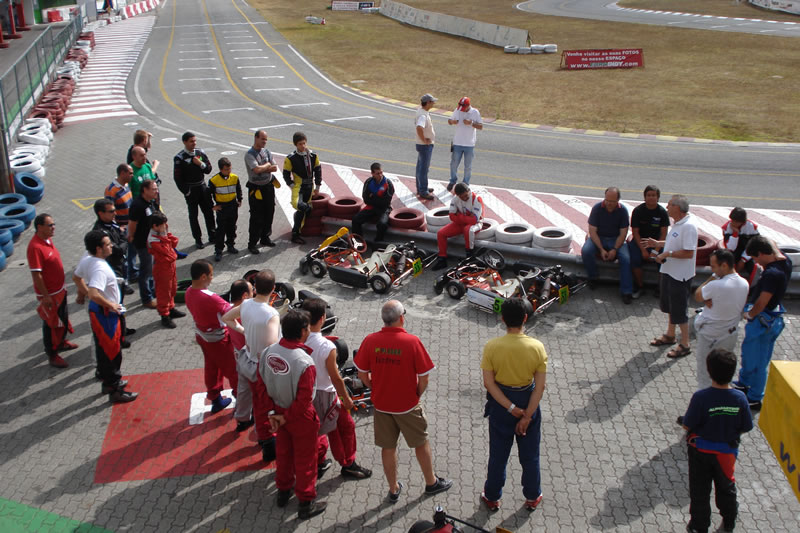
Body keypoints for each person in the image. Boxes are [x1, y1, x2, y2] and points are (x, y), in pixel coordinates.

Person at [354, 300, 452, 502]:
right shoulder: (412, 342)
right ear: (401, 318)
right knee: (420, 443)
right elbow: (424, 377)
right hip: (407, 405)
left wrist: (374, 387)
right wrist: (416, 394)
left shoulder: (370, 341)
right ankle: (431, 483)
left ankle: (393, 489)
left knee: (387, 448)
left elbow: (362, 373)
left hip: (381, 406)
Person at [480, 298, 546, 513]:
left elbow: (489, 384)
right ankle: (532, 496)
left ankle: (492, 497)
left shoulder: (492, 347)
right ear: (525, 318)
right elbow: (540, 387)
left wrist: (510, 408)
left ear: (502, 319)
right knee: (530, 456)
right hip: (528, 402)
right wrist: (527, 415)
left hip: (501, 407)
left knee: (498, 456)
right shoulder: (537, 347)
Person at [261, 310, 327, 520]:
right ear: (302, 331)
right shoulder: (304, 362)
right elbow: (304, 399)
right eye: (307, 328)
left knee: (284, 453)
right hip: (299, 418)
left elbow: (262, 386)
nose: (309, 331)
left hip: (278, 412)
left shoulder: (268, 352)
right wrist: (286, 417)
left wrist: (273, 414)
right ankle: (306, 503)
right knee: (306, 460)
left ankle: (283, 491)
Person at [681, 349, 753, 533]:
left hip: (700, 453)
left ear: (709, 371)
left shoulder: (701, 397)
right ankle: (729, 522)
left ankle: (699, 526)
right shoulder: (740, 398)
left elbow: (687, 425)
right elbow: (747, 426)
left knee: (700, 491)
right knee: (726, 487)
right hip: (726, 454)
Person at [302, 298, 372, 480]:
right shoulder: (326, 346)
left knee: (314, 432)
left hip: (303, 394)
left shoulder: (295, 338)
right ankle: (348, 464)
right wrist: (346, 399)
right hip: (326, 395)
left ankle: (319, 462)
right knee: (344, 428)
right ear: (323, 318)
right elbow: (335, 377)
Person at [220, 270, 279, 462]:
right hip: (260, 367)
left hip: (245, 357)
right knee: (263, 405)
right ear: (273, 289)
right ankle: (266, 441)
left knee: (244, 394)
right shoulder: (271, 313)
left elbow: (227, 318)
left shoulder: (245, 305)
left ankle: (242, 420)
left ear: (255, 288)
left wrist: (244, 330)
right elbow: (271, 345)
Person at [72, 231, 138, 403]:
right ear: (98, 248)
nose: (112, 247)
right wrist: (111, 305)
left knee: (103, 350)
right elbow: (94, 293)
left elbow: (76, 277)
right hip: (105, 314)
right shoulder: (100, 268)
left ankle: (108, 383)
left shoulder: (87, 258)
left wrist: (85, 294)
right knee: (112, 353)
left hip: (98, 311)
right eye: (108, 244)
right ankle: (114, 390)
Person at [735, 236, 791, 410]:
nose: (756, 263)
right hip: (771, 319)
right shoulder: (785, 261)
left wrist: (750, 315)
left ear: (761, 253)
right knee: (750, 355)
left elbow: (762, 302)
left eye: (755, 258)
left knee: (758, 361)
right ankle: (744, 383)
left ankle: (754, 397)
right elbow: (771, 244)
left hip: (762, 321)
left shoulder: (772, 274)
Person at [645, 195, 698, 359]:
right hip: (668, 271)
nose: (666, 207)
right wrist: (659, 244)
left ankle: (685, 344)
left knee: (680, 309)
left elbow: (689, 252)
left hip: (679, 275)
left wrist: (667, 253)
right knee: (670, 306)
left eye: (669, 205)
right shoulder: (678, 225)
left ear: (678, 208)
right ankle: (670, 335)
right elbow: (673, 242)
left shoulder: (689, 227)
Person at [185, 260, 239, 414]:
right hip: (218, 340)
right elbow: (231, 312)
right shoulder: (211, 298)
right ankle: (241, 398)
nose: (212, 278)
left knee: (211, 367)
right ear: (203, 277)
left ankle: (215, 398)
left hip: (202, 336)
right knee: (233, 369)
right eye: (211, 275)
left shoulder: (189, 292)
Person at [692, 250, 748, 390]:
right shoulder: (744, 283)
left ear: (724, 265)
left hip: (710, 335)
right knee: (723, 374)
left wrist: (713, 277)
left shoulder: (715, 285)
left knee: (705, 375)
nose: (712, 270)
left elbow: (698, 295)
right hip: (730, 334)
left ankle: (705, 405)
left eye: (713, 267)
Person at [26, 214, 75, 368]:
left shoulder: (47, 240)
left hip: (60, 290)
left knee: (63, 319)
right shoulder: (35, 247)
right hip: (50, 295)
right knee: (51, 324)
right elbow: (36, 274)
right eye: (50, 225)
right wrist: (46, 296)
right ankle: (52, 354)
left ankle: (61, 342)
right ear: (39, 227)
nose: (53, 227)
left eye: (54, 224)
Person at [92, 199, 134, 349]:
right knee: (114, 303)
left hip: (119, 267)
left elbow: (122, 240)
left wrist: (123, 241)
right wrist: (123, 242)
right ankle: (119, 336)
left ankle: (122, 329)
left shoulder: (112, 225)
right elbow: (119, 248)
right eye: (111, 211)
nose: (115, 213)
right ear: (100, 213)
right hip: (112, 271)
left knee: (120, 301)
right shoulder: (100, 232)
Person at [581, 187, 633, 304]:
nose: (609, 204)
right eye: (607, 200)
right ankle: (593, 277)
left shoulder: (623, 211)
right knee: (586, 251)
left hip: (616, 239)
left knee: (626, 259)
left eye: (612, 201)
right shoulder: (597, 208)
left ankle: (626, 291)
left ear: (618, 201)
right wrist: (601, 249)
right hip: (600, 237)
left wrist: (615, 249)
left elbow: (623, 233)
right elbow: (592, 231)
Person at [221, 279, 256, 433]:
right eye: (251, 290)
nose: (254, 292)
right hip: (251, 358)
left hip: (239, 357)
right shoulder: (247, 315)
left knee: (243, 390)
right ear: (244, 296)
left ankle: (242, 419)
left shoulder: (229, 310)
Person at [174, 131, 216, 249]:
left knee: (209, 212)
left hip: (202, 187)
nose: (194, 143)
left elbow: (208, 169)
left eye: (195, 141)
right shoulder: (180, 158)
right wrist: (186, 191)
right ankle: (198, 239)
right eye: (191, 141)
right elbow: (177, 178)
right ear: (185, 142)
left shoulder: (200, 153)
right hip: (191, 190)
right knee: (193, 215)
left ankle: (212, 235)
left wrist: (200, 163)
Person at [628, 185, 669, 298]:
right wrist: (643, 250)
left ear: (658, 197)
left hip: (657, 243)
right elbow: (635, 232)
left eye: (653, 195)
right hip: (640, 242)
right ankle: (640, 287)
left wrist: (655, 251)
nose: (651, 198)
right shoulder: (638, 211)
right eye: (648, 195)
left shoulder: (662, 212)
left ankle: (660, 288)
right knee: (634, 259)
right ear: (644, 197)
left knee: (664, 259)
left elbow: (664, 233)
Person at [431, 182, 484, 270]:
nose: (465, 198)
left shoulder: (476, 199)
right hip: (460, 224)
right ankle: (442, 259)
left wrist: (458, 215)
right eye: (462, 197)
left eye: (466, 196)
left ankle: (469, 257)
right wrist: (466, 217)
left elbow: (474, 220)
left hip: (476, 224)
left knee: (468, 229)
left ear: (469, 191)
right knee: (441, 233)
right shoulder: (455, 199)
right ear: (458, 195)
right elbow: (451, 216)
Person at [244, 129, 280, 254]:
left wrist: (264, 167)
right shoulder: (250, 154)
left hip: (268, 187)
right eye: (262, 139)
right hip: (256, 189)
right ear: (256, 138)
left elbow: (275, 168)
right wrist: (267, 165)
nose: (264, 141)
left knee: (269, 212)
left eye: (266, 139)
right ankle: (252, 243)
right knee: (256, 217)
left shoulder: (267, 152)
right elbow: (256, 170)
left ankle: (265, 238)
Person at [283, 131, 322, 245]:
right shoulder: (291, 158)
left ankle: (296, 234)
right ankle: (296, 231)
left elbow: (318, 171)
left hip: (310, 186)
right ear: (296, 145)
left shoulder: (313, 155)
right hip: (298, 186)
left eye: (304, 143)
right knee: (299, 205)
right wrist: (291, 185)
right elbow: (286, 173)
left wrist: (317, 187)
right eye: (300, 144)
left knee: (302, 212)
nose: (303, 146)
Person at [148, 212, 184, 328]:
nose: (165, 226)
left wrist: (166, 234)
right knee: (164, 293)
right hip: (162, 268)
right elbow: (168, 253)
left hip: (170, 267)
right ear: (155, 226)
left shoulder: (161, 234)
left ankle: (171, 308)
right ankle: (164, 315)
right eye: (163, 224)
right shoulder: (153, 239)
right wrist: (165, 237)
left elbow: (174, 242)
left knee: (173, 289)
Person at [127, 180, 160, 309]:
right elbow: (132, 224)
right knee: (145, 271)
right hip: (143, 243)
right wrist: (132, 236)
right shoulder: (138, 205)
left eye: (156, 189)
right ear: (145, 190)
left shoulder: (149, 202)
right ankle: (146, 299)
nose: (156, 191)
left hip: (151, 241)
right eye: (153, 189)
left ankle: (152, 291)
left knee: (151, 268)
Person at [105, 163, 137, 284]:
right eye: (130, 173)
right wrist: (118, 228)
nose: (132, 175)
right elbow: (109, 212)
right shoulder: (111, 191)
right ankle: (126, 280)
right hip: (122, 228)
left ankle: (133, 272)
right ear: (122, 173)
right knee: (125, 255)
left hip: (131, 225)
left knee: (132, 251)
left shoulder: (126, 186)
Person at [208, 157, 243, 262]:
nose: (228, 172)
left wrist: (239, 199)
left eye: (229, 169)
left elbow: (238, 189)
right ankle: (218, 250)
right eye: (226, 170)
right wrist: (213, 206)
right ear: (220, 169)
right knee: (221, 230)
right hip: (222, 207)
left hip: (232, 206)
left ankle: (230, 245)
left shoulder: (234, 177)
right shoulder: (214, 180)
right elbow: (207, 195)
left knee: (232, 227)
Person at [351, 162, 395, 242]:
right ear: (372, 174)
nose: (380, 175)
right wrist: (377, 199)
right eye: (377, 173)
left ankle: (377, 243)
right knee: (355, 219)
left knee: (382, 224)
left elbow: (386, 202)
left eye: (381, 172)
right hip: (371, 207)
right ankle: (359, 242)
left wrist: (373, 197)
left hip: (384, 208)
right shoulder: (368, 182)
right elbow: (366, 199)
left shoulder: (388, 184)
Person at [447, 96, 482, 191]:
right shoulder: (457, 110)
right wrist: (452, 121)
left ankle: (466, 183)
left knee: (468, 166)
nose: (462, 110)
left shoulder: (475, 112)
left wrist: (471, 123)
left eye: (464, 108)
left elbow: (481, 126)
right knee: (453, 163)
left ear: (468, 105)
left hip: (469, 144)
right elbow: (449, 121)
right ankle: (452, 180)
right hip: (457, 142)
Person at [721, 207, 760, 286]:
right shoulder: (726, 228)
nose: (733, 223)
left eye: (736, 222)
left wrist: (743, 260)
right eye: (732, 220)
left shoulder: (752, 227)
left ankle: (752, 288)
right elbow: (730, 248)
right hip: (735, 251)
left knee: (754, 267)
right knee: (728, 262)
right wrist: (735, 234)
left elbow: (754, 244)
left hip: (748, 251)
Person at [414, 93, 437, 200]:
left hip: (421, 144)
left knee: (420, 167)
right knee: (423, 169)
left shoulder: (421, 112)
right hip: (424, 145)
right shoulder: (423, 115)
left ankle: (421, 187)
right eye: (432, 102)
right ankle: (423, 190)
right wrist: (425, 140)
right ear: (428, 103)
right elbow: (419, 127)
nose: (433, 103)